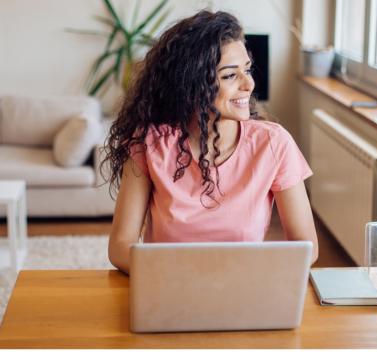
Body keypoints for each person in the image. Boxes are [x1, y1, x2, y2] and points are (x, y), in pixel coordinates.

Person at [103, 10, 318, 274]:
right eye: (230, 75)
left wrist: (259, 274)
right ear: (191, 84)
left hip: (242, 291)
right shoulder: (149, 144)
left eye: (247, 70)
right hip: (169, 290)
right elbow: (120, 246)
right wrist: (182, 272)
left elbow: (306, 246)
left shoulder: (274, 144)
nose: (248, 83)